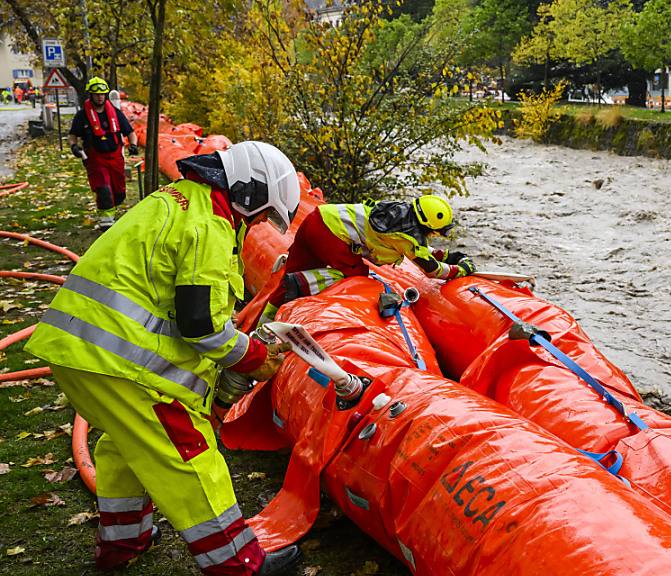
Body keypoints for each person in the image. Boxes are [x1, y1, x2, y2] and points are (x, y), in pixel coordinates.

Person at [25, 141, 305, 576]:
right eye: (262, 214)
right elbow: (202, 327)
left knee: (124, 448)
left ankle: (124, 541)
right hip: (118, 363)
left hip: (78, 349)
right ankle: (240, 564)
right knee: (188, 454)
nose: (257, 225)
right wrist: (255, 356)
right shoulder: (209, 224)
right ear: (247, 193)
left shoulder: (176, 199)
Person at [259, 195, 476, 324]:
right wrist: (460, 269)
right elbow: (432, 270)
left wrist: (447, 256)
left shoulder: (398, 212)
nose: (435, 236)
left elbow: (419, 250)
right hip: (332, 237)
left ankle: (263, 320)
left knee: (290, 272)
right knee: (357, 275)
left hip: (318, 218)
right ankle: (301, 283)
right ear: (428, 225)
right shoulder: (408, 238)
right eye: (436, 232)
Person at [67, 77, 139, 230]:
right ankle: (106, 223)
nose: (99, 97)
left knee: (119, 193)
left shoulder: (116, 114)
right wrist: (74, 147)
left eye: (102, 94)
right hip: (95, 159)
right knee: (104, 189)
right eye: (96, 94)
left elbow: (130, 132)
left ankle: (111, 210)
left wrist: (133, 145)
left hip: (115, 158)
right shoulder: (82, 116)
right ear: (91, 95)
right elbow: (73, 135)